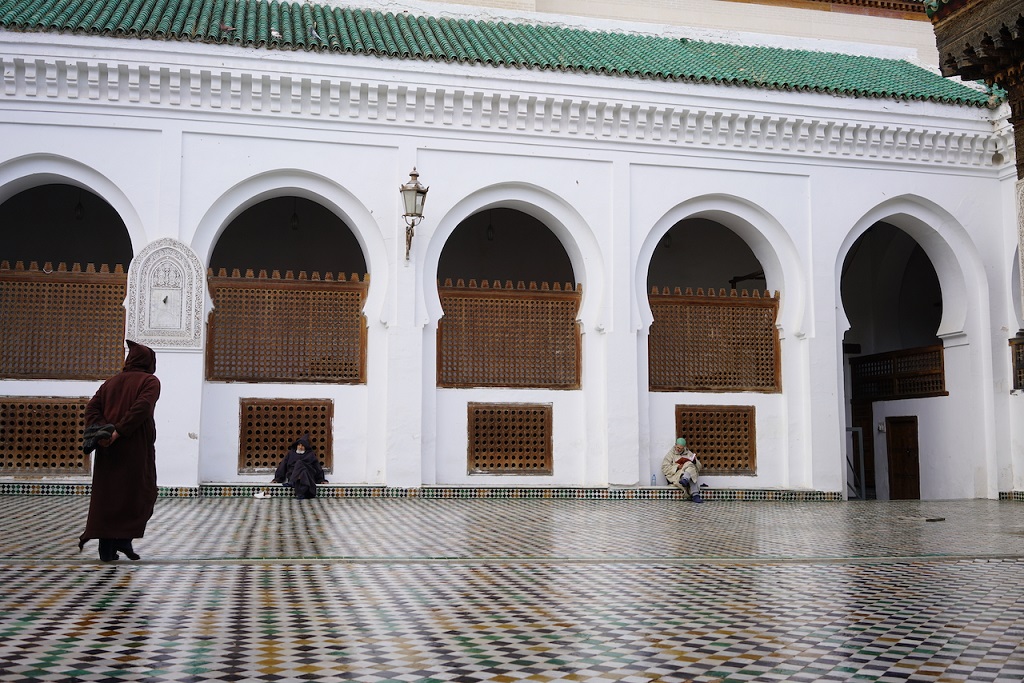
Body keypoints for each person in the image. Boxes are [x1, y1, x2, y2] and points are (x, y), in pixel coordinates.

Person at [78, 340, 161, 561]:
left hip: (109, 449)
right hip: (134, 446)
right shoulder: (150, 381)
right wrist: (119, 431)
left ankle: (110, 547)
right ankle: (122, 540)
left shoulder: (110, 383)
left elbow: (92, 408)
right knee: (139, 492)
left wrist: (104, 430)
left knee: (110, 495)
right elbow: (142, 407)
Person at [272, 433, 327, 499]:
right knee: (302, 473)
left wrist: (321, 479)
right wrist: (278, 479)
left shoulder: (310, 455)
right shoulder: (291, 454)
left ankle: (292, 482)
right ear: (296, 446)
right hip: (293, 474)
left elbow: (317, 467)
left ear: (305, 447)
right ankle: (302, 494)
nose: (300, 447)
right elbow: (283, 466)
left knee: (300, 464)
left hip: (308, 474)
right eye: (299, 445)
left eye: (302, 446)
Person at [662, 437, 704, 503]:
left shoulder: (688, 453)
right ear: (675, 445)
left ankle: (685, 478)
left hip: (686, 474)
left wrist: (695, 461)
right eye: (678, 448)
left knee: (690, 465)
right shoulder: (670, 454)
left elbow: (699, 467)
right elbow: (665, 468)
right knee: (690, 468)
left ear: (684, 447)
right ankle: (695, 495)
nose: (679, 450)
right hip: (677, 475)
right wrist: (677, 467)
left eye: (681, 449)